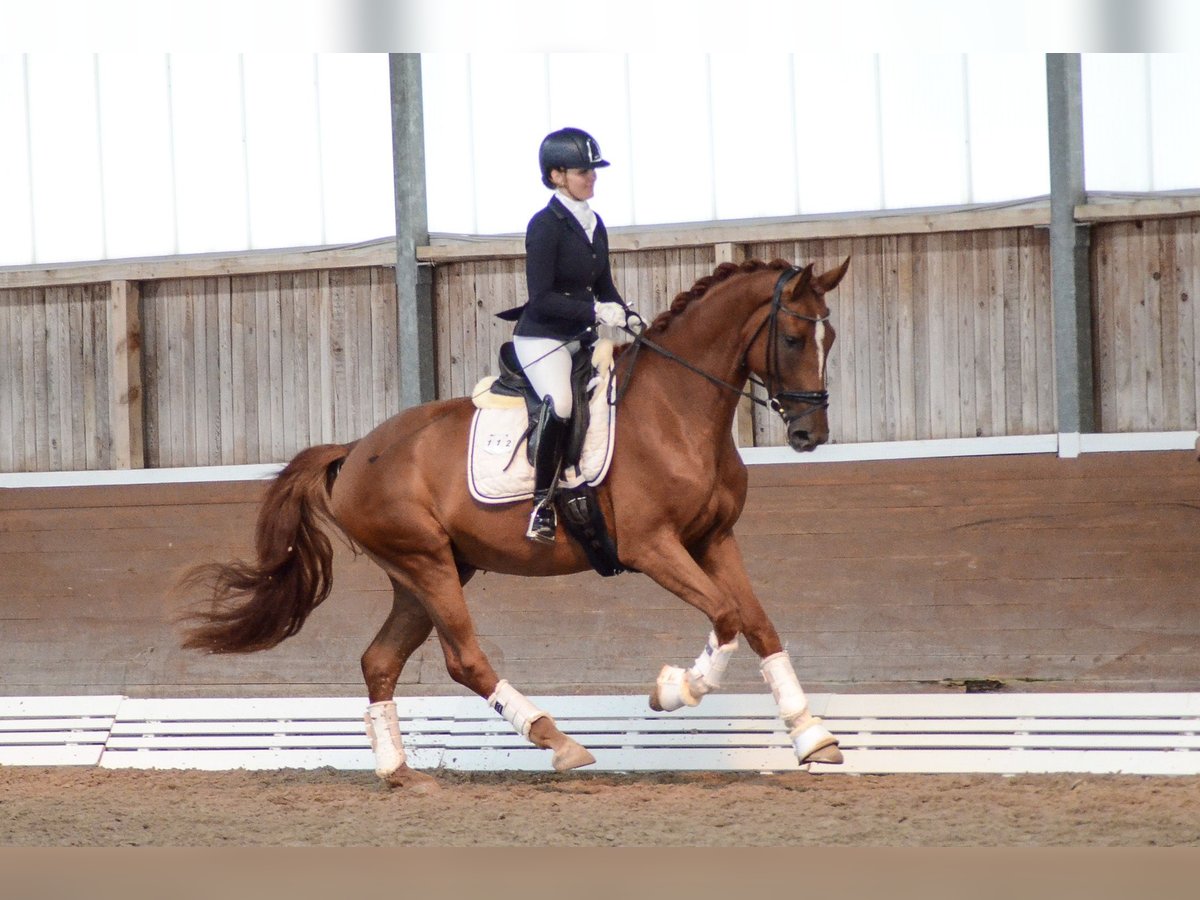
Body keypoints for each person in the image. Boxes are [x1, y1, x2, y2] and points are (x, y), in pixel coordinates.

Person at [496, 127, 639, 544]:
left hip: (583, 337)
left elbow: (604, 286)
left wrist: (628, 316)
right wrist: (595, 310)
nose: (591, 177)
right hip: (543, 339)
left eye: (593, 170)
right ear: (557, 175)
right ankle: (542, 504)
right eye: (582, 171)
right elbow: (540, 299)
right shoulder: (545, 226)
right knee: (559, 403)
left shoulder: (594, 223)